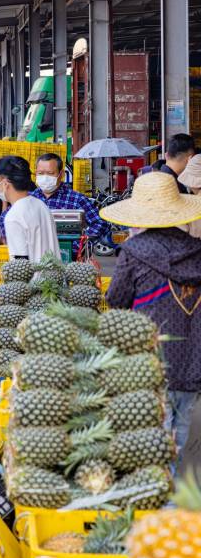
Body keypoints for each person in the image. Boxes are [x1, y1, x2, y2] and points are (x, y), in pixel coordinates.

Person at [102, 172, 201, 461]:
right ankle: (173, 474)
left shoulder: (134, 251)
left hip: (151, 358)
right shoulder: (196, 249)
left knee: (155, 433)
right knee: (180, 429)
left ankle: (163, 483)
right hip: (193, 354)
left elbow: (116, 299)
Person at [0, 152, 110, 247]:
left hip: (69, 259)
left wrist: (78, 244)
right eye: (40, 173)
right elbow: (4, 218)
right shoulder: (29, 198)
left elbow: (99, 223)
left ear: (61, 174)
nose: (45, 177)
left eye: (50, 173)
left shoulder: (76, 199)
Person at [0, 155, 60, 262]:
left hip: (34, 273)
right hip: (53, 271)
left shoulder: (13, 216)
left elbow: (20, 264)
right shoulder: (40, 205)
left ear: (5, 183)